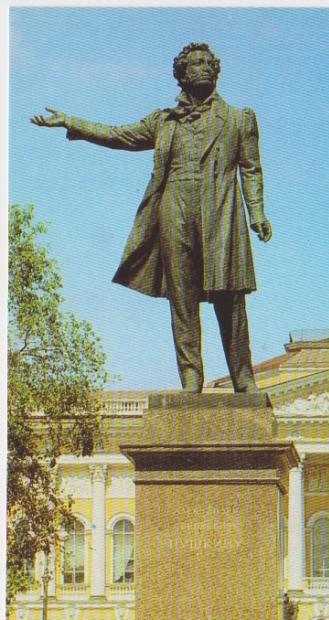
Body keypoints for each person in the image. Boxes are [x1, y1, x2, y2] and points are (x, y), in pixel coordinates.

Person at [31, 42, 272, 394]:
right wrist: (72, 122)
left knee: (230, 296)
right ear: (181, 74)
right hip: (174, 211)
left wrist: (258, 212)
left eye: (209, 63)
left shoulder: (239, 119)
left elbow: (251, 168)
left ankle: (243, 377)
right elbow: (118, 135)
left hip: (221, 213)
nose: (204, 68)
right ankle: (191, 377)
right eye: (195, 64)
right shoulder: (162, 121)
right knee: (182, 297)